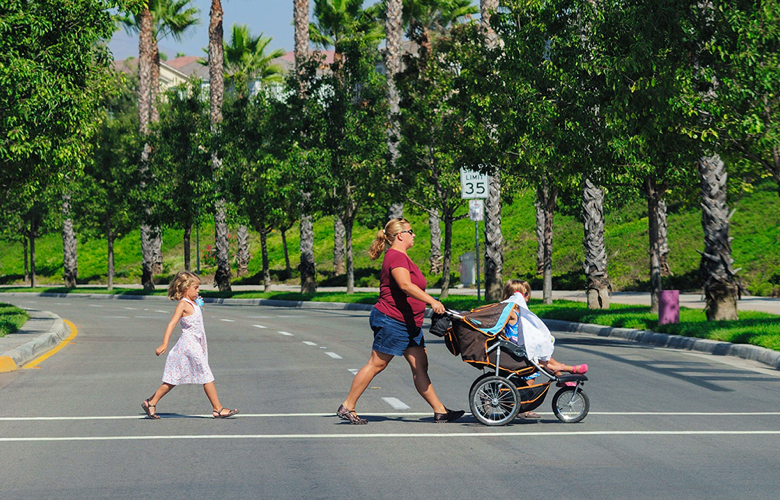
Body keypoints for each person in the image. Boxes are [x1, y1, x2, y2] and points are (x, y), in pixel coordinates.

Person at [337, 218, 464, 424]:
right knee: (376, 364)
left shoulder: (402, 257)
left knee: (420, 366)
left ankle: (440, 411)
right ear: (400, 235)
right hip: (392, 320)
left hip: (409, 323)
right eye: (410, 231)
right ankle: (348, 405)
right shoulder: (395, 257)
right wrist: (432, 301)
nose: (414, 235)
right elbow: (405, 285)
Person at [141, 270, 238, 419]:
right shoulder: (183, 304)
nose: (198, 291)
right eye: (196, 288)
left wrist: (199, 304)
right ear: (186, 288)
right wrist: (164, 344)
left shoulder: (193, 302)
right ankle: (218, 408)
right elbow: (172, 323)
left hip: (196, 344)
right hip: (188, 345)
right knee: (206, 374)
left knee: (174, 378)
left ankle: (151, 402)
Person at [502, 279, 588, 376]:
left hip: (523, 345)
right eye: (525, 294)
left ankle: (561, 374)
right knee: (540, 356)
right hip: (518, 347)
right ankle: (567, 369)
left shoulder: (521, 311)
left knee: (543, 354)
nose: (528, 296)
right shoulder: (511, 312)